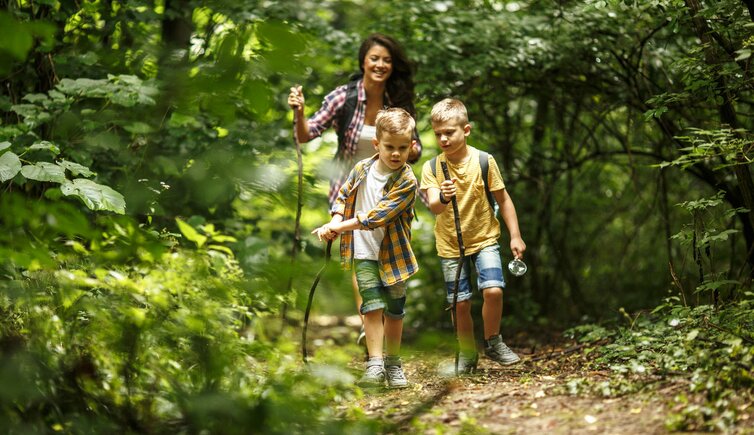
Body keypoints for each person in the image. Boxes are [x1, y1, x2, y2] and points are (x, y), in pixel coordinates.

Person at [288, 33, 422, 347]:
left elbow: (413, 148)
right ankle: (368, 318)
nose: (380, 64)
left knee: (387, 247)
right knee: (359, 249)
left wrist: (404, 149)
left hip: (389, 187)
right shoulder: (342, 98)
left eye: (387, 60)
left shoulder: (397, 100)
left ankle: (385, 316)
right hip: (350, 186)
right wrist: (298, 113)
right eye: (375, 58)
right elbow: (307, 135)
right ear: (363, 60)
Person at [312, 108, 418, 388]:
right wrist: (334, 219)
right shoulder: (362, 169)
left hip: (394, 256)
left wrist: (338, 227)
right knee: (371, 308)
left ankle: (393, 363)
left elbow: (376, 217)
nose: (396, 154)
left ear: (412, 146)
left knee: (394, 311)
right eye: (390, 147)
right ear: (376, 145)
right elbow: (343, 195)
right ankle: (375, 364)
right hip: (363, 253)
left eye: (403, 148)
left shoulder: (407, 181)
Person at [420, 98, 526, 374]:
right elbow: (433, 205)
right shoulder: (432, 168)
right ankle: (467, 352)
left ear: (465, 130)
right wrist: (443, 195)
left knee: (493, 290)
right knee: (459, 303)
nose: (443, 138)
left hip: (485, 238)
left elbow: (503, 200)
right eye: (438, 134)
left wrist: (515, 235)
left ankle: (493, 341)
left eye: (449, 132)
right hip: (450, 243)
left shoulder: (483, 161)